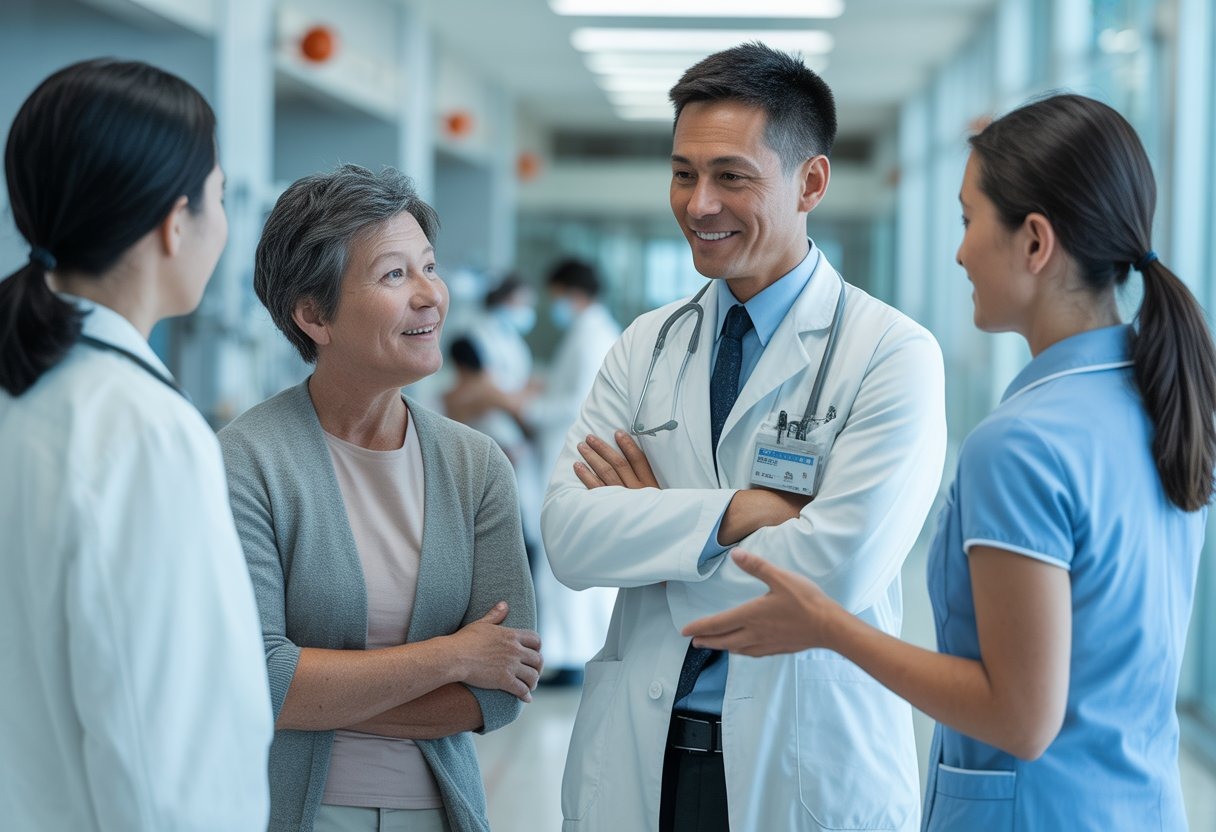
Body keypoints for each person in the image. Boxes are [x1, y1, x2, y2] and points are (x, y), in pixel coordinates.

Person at [684, 94, 1216, 831]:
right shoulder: (1155, 401)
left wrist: (829, 626)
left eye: (969, 223)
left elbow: (1020, 717)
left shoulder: (1023, 443)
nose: (959, 253)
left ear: (1034, 242)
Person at [541, 43, 946, 831]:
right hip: (644, 757)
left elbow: (833, 577)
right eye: (684, 173)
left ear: (812, 183)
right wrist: (735, 514)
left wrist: (654, 520)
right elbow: (568, 539)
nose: (698, 204)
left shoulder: (891, 354)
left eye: (731, 175)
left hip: (804, 765)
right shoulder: (645, 344)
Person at [219, 164, 541, 832]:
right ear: (314, 315)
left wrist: (317, 693)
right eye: (395, 275)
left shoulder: (474, 464)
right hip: (293, 814)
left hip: (441, 813)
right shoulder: (248, 460)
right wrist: (452, 655)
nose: (431, 296)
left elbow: (502, 689)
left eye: (430, 266)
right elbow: (259, 676)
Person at [0, 59, 272, 830]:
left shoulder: (34, 388)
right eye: (220, 199)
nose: (224, 225)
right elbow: (173, 761)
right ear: (175, 221)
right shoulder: (140, 432)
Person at [525, 258, 622, 684]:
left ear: (571, 291)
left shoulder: (592, 337)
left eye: (556, 294)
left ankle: (570, 658)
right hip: (571, 456)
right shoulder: (588, 332)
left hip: (576, 458)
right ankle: (568, 654)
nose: (554, 304)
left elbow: (576, 405)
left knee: (568, 556)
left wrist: (525, 406)